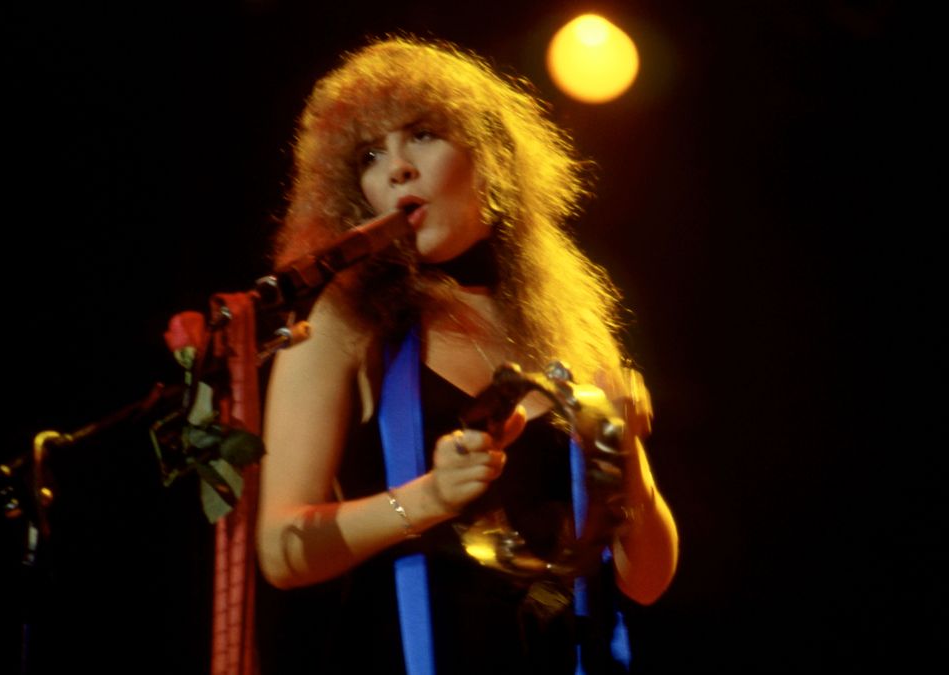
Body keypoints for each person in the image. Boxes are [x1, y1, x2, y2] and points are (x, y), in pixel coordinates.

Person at [257, 36, 678, 674]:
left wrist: (629, 466)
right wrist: (429, 498)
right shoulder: (343, 325)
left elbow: (646, 582)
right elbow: (281, 553)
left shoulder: (568, 328)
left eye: (421, 135)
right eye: (372, 155)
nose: (396, 167)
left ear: (493, 159)